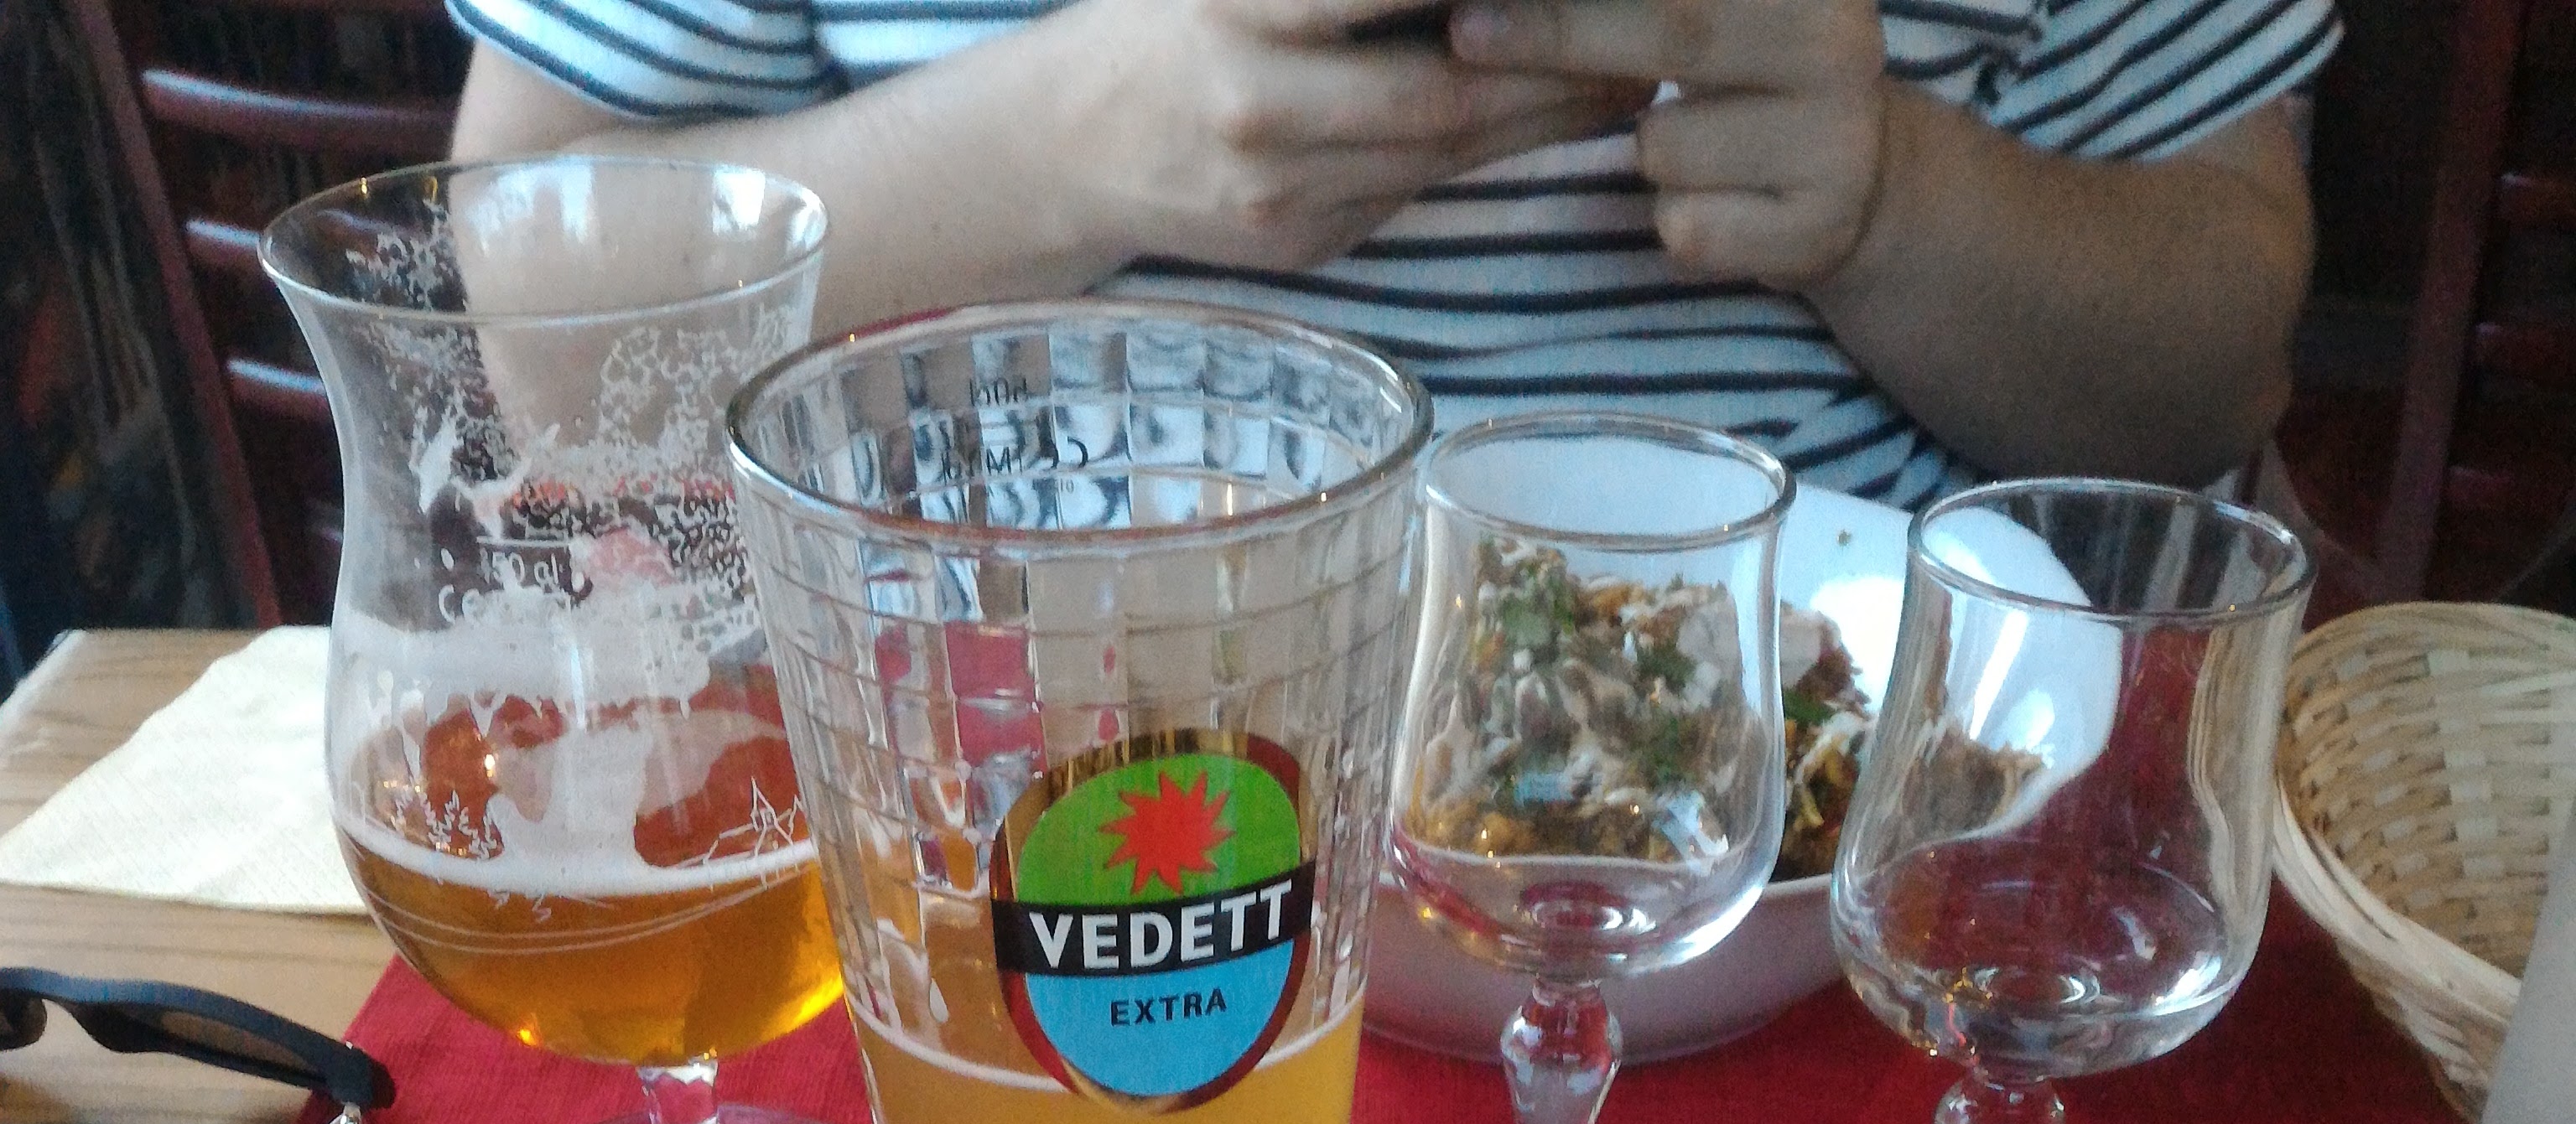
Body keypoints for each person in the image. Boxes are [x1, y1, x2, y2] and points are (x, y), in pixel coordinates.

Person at [446, 0, 2336, 506]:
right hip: (969, 851)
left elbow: (2212, 385)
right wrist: (1064, 145)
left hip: (1846, 904)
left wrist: (1895, 199)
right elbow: (538, 343)